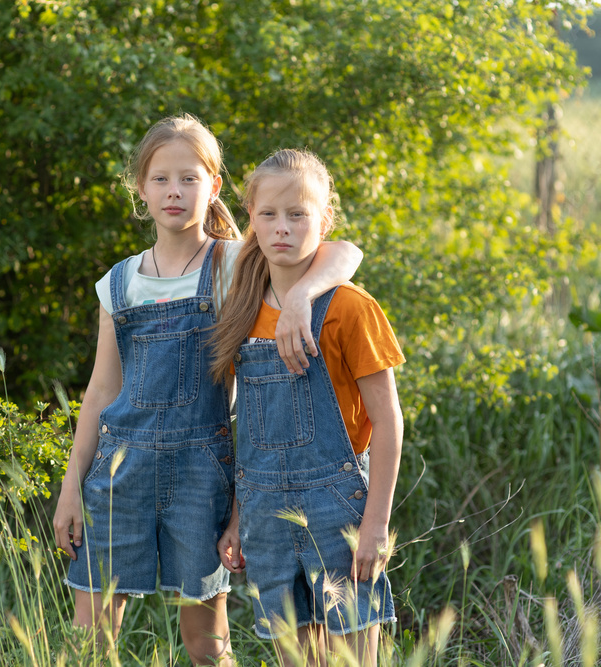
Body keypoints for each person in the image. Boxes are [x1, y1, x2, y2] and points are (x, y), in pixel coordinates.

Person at [51, 116, 363, 666]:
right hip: (118, 477)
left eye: (189, 178)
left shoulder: (234, 262)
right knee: (92, 640)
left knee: (206, 643)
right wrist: (71, 487)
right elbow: (101, 390)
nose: (175, 192)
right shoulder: (119, 282)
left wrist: (302, 295)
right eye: (161, 179)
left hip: (201, 473)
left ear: (214, 186)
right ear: (141, 189)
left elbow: (343, 252)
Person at [211, 149, 404, 667]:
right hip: (264, 516)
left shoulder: (349, 308)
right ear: (250, 217)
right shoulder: (242, 309)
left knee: (351, 657)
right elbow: (248, 429)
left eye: (298, 214)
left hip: (336, 508)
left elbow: (388, 421)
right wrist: (236, 518)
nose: (283, 227)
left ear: (325, 219)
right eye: (269, 214)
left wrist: (376, 525)